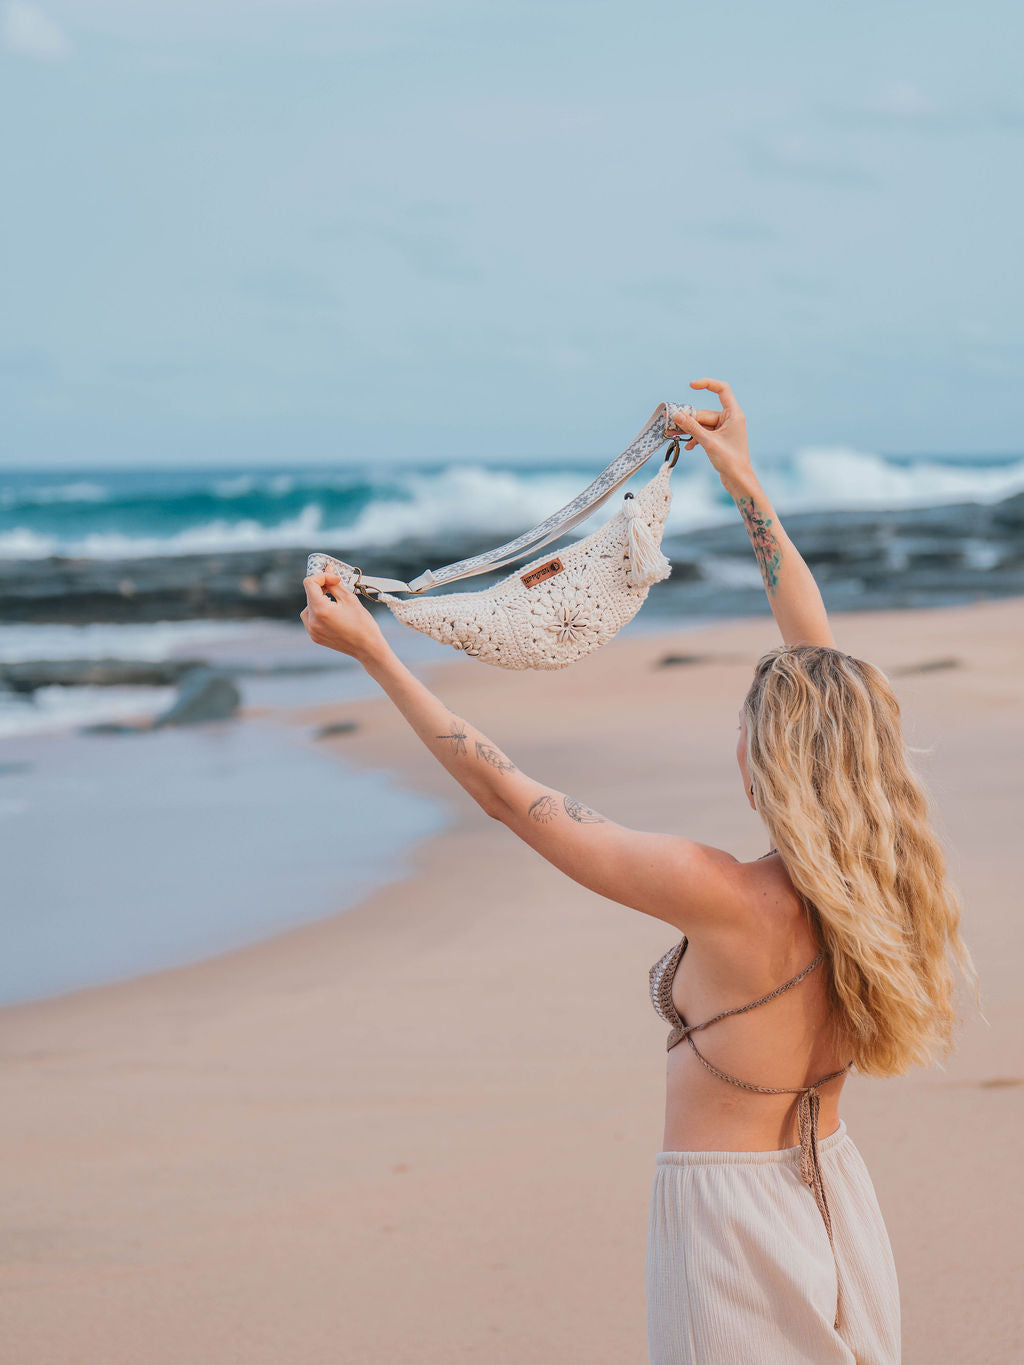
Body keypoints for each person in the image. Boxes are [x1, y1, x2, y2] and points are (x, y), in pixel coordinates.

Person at [300, 378, 979, 1364]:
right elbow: (819, 656)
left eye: (748, 734)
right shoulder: (881, 881)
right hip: (836, 1194)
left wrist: (378, 656)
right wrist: (740, 474)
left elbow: (512, 799)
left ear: (774, 768)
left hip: (730, 1222)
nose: (739, 746)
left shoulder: (728, 895)